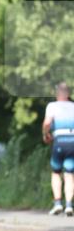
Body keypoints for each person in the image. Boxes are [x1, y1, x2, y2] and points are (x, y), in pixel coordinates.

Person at [43, 82, 74, 216]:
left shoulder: (52, 106)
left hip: (59, 140)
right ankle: (69, 205)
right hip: (73, 141)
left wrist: (46, 134)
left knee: (56, 172)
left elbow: (47, 123)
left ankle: (57, 204)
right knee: (69, 173)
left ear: (57, 94)